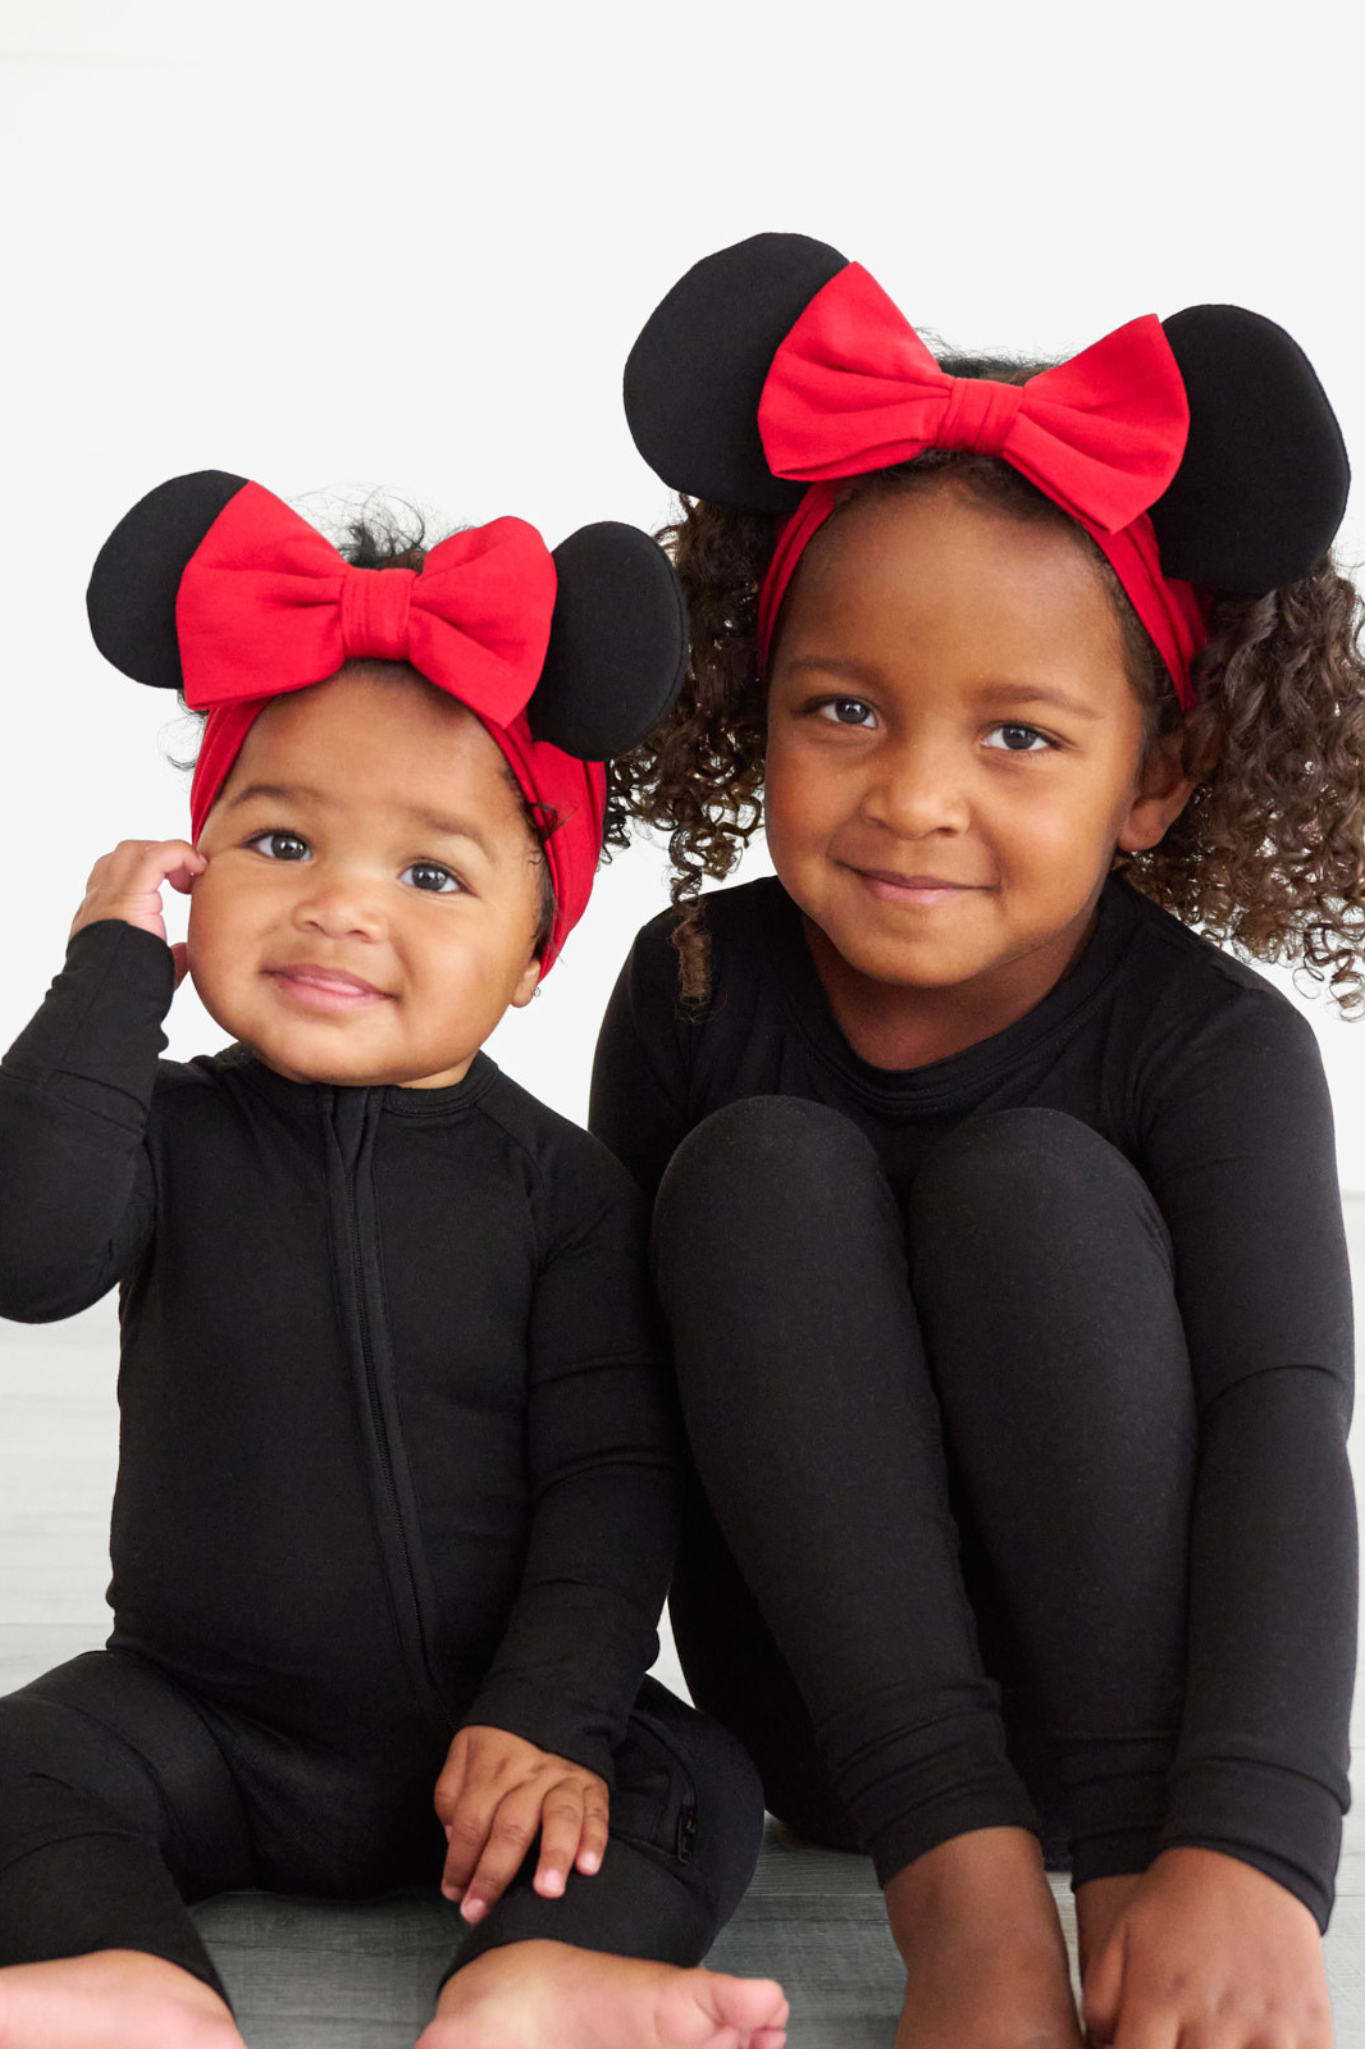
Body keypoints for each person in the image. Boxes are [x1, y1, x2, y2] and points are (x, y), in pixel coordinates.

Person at [590, 233, 1364, 2049]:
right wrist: (550, 1705)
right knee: (763, 1174)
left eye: (1020, 734)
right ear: (754, 708)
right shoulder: (698, 985)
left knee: (1031, 1183)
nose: (913, 795)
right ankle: (969, 1900)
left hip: (1137, 1736)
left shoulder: (1216, 1050)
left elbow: (1280, 1425)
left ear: (1154, 781)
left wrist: (1250, 1842)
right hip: (840, 1727)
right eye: (842, 708)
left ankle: (1111, 1864)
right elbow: (600, 1392)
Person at [0, 472, 789, 2049]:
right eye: (279, 838)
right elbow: (28, 1254)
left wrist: (549, 1714)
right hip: (198, 1723)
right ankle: (134, 1991)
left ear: (528, 955)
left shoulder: (564, 1191)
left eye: (432, 875)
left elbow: (611, 1480)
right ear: (194, 866)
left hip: (494, 1739)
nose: (343, 908)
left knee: (691, 1781)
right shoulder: (160, 1129)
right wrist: (105, 967)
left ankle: (535, 1986)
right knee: (23, 1767)